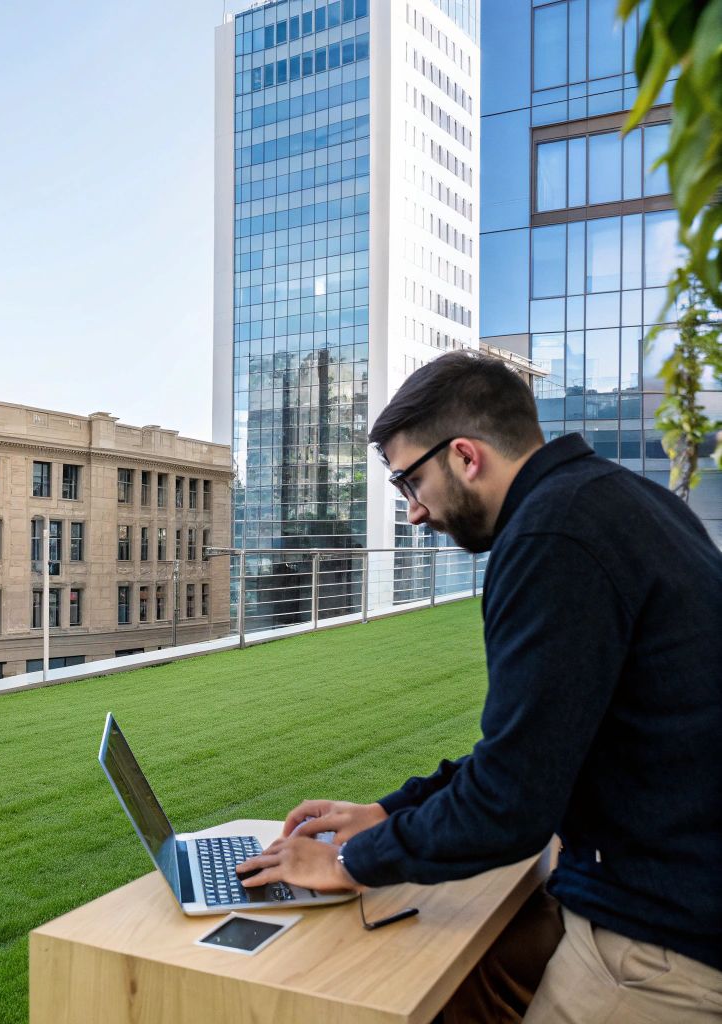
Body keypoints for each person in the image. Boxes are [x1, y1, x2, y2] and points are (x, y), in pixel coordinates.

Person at [234, 352, 722, 1021]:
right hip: (665, 888)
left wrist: (349, 862)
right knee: (472, 992)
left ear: (465, 456)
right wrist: (387, 814)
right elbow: (537, 747)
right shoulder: (625, 501)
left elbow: (510, 806)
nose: (413, 513)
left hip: (662, 943)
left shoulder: (554, 538)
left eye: (411, 482)